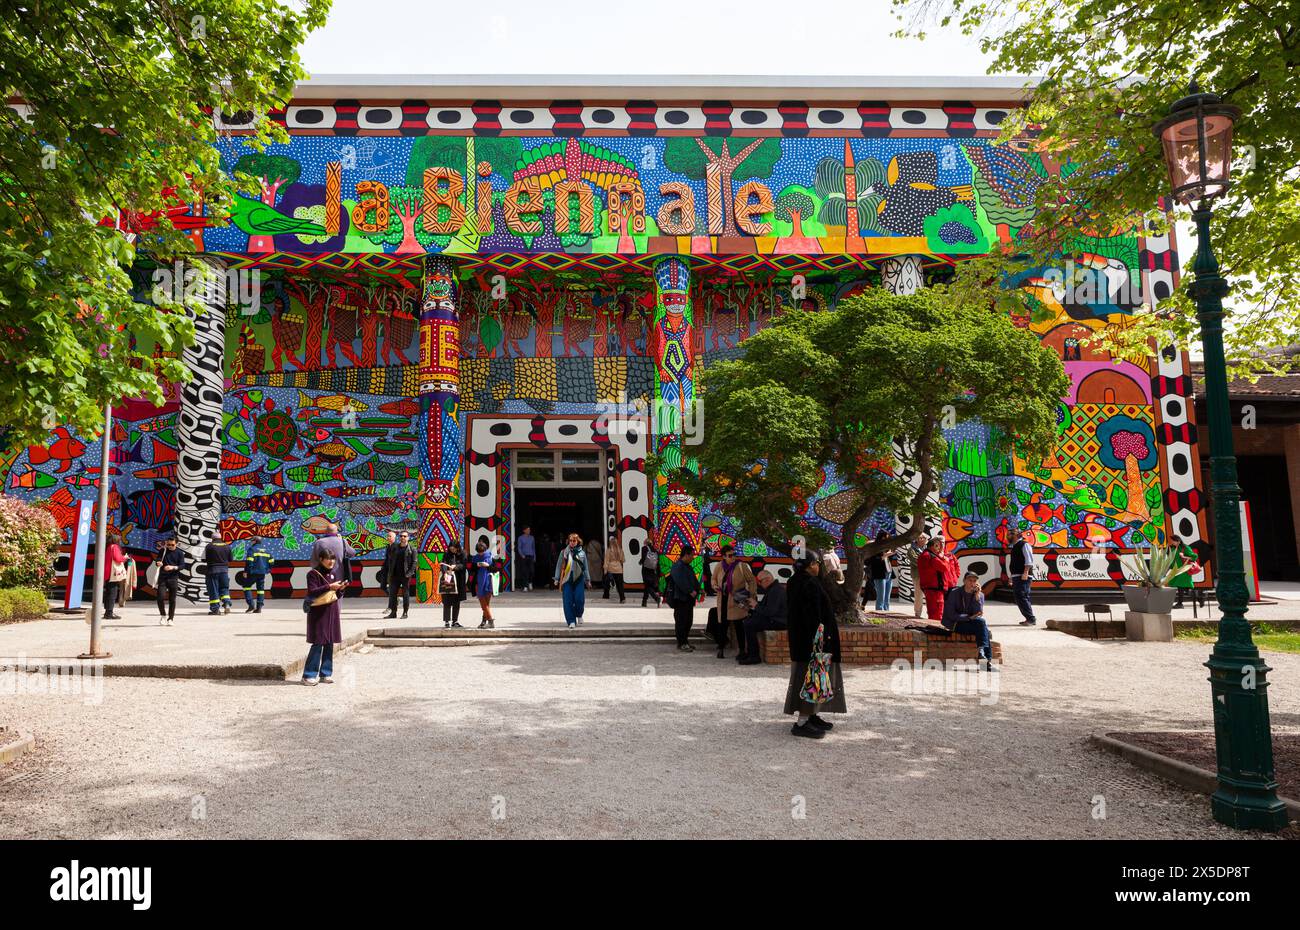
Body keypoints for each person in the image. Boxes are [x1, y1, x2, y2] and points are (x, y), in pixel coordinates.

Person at [784, 553, 846, 738]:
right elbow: (813, 615)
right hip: (813, 642)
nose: (819, 567)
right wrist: (821, 639)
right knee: (811, 678)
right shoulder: (809, 583)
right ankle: (802, 722)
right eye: (817, 563)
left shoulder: (795, 581)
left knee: (812, 678)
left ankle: (811, 715)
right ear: (811, 565)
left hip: (802, 640)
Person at [302, 550, 347, 685]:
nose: (331, 561)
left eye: (333, 559)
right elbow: (312, 591)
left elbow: (334, 596)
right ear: (321, 559)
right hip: (319, 613)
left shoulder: (333, 574)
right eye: (328, 559)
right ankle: (308, 675)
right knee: (318, 643)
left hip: (332, 612)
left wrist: (341, 589)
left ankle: (325, 673)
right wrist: (329, 586)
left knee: (329, 642)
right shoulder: (312, 574)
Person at [942, 571, 997, 671]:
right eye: (970, 580)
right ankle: (985, 660)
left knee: (982, 625)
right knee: (983, 627)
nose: (972, 583)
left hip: (971, 624)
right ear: (964, 581)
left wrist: (976, 596)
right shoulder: (955, 593)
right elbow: (950, 614)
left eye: (974, 581)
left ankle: (982, 654)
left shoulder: (980, 595)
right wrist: (967, 618)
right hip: (956, 624)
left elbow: (978, 612)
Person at [711, 545, 757, 660]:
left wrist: (751, 595)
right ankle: (721, 649)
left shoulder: (741, 566)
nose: (733, 557)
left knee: (739, 626)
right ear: (724, 556)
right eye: (730, 555)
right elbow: (714, 579)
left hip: (737, 600)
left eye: (734, 554)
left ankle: (742, 650)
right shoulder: (719, 566)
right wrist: (715, 586)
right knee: (722, 625)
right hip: (723, 599)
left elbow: (751, 580)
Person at [740, 569, 786, 665]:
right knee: (749, 620)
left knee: (750, 624)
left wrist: (756, 605)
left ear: (768, 579)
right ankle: (749, 653)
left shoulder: (776, 590)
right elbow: (767, 607)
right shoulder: (773, 589)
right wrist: (752, 607)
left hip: (779, 621)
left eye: (760, 581)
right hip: (775, 618)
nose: (759, 584)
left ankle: (754, 656)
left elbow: (770, 611)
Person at [667, 545, 701, 652]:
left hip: (689, 599)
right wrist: (690, 591)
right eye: (691, 555)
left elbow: (694, 580)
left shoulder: (688, 566)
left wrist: (699, 590)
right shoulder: (678, 566)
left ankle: (685, 641)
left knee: (688, 621)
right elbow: (680, 581)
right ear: (686, 554)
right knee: (681, 621)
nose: (692, 557)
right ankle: (681, 642)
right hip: (681, 598)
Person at [916, 537, 957, 622]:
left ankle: (933, 629)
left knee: (933, 612)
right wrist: (944, 559)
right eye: (938, 546)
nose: (940, 548)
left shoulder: (925, 555)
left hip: (931, 588)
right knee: (937, 614)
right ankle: (936, 630)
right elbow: (945, 568)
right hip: (935, 589)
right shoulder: (930, 556)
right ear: (932, 546)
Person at [554, 532, 589, 628]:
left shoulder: (582, 553)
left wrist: (588, 579)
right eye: (570, 540)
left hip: (579, 578)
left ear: (578, 541)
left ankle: (579, 614)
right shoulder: (564, 552)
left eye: (574, 540)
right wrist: (556, 578)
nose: (572, 542)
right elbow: (558, 566)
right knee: (567, 600)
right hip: (567, 578)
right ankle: (571, 621)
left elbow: (585, 567)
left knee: (579, 599)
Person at [1008, 527, 1038, 626]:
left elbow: (1029, 560)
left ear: (1016, 535)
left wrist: (1025, 573)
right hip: (1017, 575)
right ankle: (1028, 618)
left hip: (1023, 576)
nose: (1008, 536)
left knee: (1022, 596)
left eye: (1010, 534)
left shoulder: (1024, 545)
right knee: (1019, 597)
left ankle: (1031, 618)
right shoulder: (1015, 546)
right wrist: (1011, 577)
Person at [383, 531, 416, 619]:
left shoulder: (412, 549)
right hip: (395, 575)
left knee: (405, 594)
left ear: (408, 538)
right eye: (401, 536)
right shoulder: (395, 548)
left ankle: (405, 612)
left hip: (405, 575)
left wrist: (409, 574)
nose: (402, 538)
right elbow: (390, 560)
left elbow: (414, 563)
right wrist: (390, 573)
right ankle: (393, 613)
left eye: (405, 536)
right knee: (393, 594)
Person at [469, 540, 498, 629]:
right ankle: (487, 621)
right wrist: (476, 565)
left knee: (486, 604)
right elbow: (470, 568)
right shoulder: (475, 558)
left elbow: (496, 569)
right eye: (479, 552)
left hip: (488, 582)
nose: (481, 554)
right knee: (483, 603)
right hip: (478, 582)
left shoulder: (490, 557)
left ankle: (487, 622)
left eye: (482, 552)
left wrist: (487, 566)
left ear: (485, 549)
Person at [155, 537, 184, 625]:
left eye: (172, 545)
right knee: (160, 597)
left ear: (176, 544)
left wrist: (173, 567)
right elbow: (158, 560)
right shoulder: (163, 551)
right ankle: (163, 615)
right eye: (168, 544)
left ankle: (170, 618)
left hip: (173, 578)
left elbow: (182, 565)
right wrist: (158, 563)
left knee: (172, 600)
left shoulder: (179, 553)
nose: (170, 546)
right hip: (163, 578)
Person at [1171, 535, 1204, 608]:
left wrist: (1184, 556)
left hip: (1184, 570)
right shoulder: (1173, 548)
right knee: (1185, 588)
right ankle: (1199, 598)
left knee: (1181, 587)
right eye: (1172, 541)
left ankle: (1180, 604)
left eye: (1173, 541)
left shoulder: (1185, 548)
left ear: (1178, 541)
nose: (1172, 542)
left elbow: (1195, 556)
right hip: (1177, 570)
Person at [204, 530, 233, 615]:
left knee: (213, 590)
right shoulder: (227, 546)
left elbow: (203, 559)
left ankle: (215, 609)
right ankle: (227, 603)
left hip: (212, 571)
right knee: (224, 588)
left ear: (212, 538)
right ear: (221, 538)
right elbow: (231, 559)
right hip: (224, 571)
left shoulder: (209, 546)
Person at [867, 530, 897, 612]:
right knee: (881, 596)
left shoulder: (887, 547)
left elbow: (889, 559)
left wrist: (889, 553)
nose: (886, 540)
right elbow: (872, 560)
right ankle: (880, 612)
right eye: (885, 538)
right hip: (880, 573)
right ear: (881, 537)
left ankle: (887, 611)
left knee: (887, 596)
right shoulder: (874, 547)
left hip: (889, 572)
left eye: (887, 538)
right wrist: (883, 556)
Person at [440, 543, 468, 628]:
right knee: (447, 601)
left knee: (456, 601)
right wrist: (445, 572)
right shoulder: (446, 554)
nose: (452, 551)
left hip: (458, 581)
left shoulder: (463, 554)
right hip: (448, 580)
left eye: (454, 549)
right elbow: (443, 564)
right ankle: (447, 621)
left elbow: (463, 565)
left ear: (457, 548)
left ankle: (455, 621)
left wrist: (455, 567)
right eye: (451, 549)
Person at [102, 531, 128, 621]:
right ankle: (109, 613)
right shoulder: (115, 547)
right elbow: (118, 558)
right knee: (112, 593)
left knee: (108, 592)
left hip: (107, 573)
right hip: (113, 574)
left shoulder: (109, 547)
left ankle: (107, 612)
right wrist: (125, 558)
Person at [243, 537, 272, 613]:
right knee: (260, 590)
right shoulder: (266, 550)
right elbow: (271, 561)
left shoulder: (252, 549)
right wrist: (267, 570)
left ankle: (251, 605)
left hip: (253, 572)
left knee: (246, 586)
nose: (251, 542)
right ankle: (259, 607)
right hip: (262, 573)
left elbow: (249, 561)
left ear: (255, 541)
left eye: (251, 541)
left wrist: (246, 571)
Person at [603, 534, 626, 602]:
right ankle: (622, 598)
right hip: (619, 569)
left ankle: (606, 595)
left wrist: (605, 569)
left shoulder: (609, 550)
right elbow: (623, 560)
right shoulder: (620, 550)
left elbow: (606, 560)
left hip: (611, 568)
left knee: (607, 583)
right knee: (620, 585)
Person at [640, 538, 662, 607]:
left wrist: (640, 562)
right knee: (648, 585)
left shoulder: (644, 548)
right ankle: (644, 602)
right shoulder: (655, 550)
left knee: (647, 586)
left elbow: (643, 557)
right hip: (653, 570)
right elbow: (658, 562)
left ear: (645, 543)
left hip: (646, 569)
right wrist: (659, 573)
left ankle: (657, 598)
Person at [515, 526, 536, 592]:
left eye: (529, 530)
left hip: (531, 556)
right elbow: (519, 547)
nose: (529, 531)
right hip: (524, 556)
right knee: (524, 572)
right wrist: (522, 555)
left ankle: (530, 582)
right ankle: (525, 586)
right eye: (527, 530)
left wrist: (534, 556)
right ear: (524, 530)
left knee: (532, 571)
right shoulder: (520, 538)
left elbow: (533, 548)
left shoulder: (532, 538)